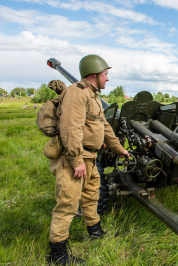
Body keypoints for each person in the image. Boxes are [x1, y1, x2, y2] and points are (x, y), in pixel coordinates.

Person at [48, 54, 129, 265]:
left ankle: (95, 232)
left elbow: (105, 126)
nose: (107, 79)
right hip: (75, 157)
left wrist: (119, 149)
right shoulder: (77, 93)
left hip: (90, 157)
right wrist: (76, 161)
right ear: (94, 74)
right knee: (67, 204)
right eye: (105, 74)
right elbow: (69, 128)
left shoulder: (92, 96)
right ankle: (58, 256)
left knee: (91, 197)